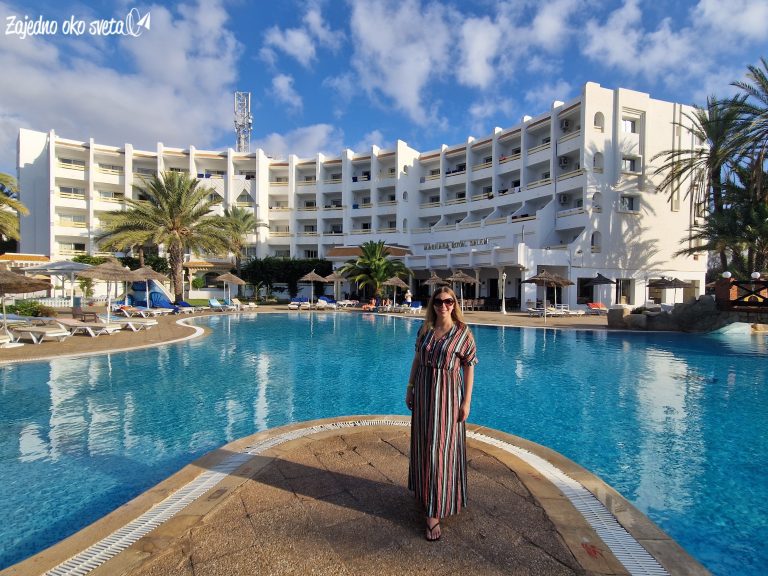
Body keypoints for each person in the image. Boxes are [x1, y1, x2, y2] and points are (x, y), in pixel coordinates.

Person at [405, 286, 477, 541]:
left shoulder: (463, 333)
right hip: (423, 394)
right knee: (423, 444)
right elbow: (417, 359)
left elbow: (469, 368)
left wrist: (466, 402)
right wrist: (410, 387)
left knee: (441, 450)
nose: (443, 306)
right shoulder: (425, 329)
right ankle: (424, 492)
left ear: (454, 304)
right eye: (438, 301)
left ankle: (434, 511)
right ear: (432, 304)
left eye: (448, 301)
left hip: (447, 398)